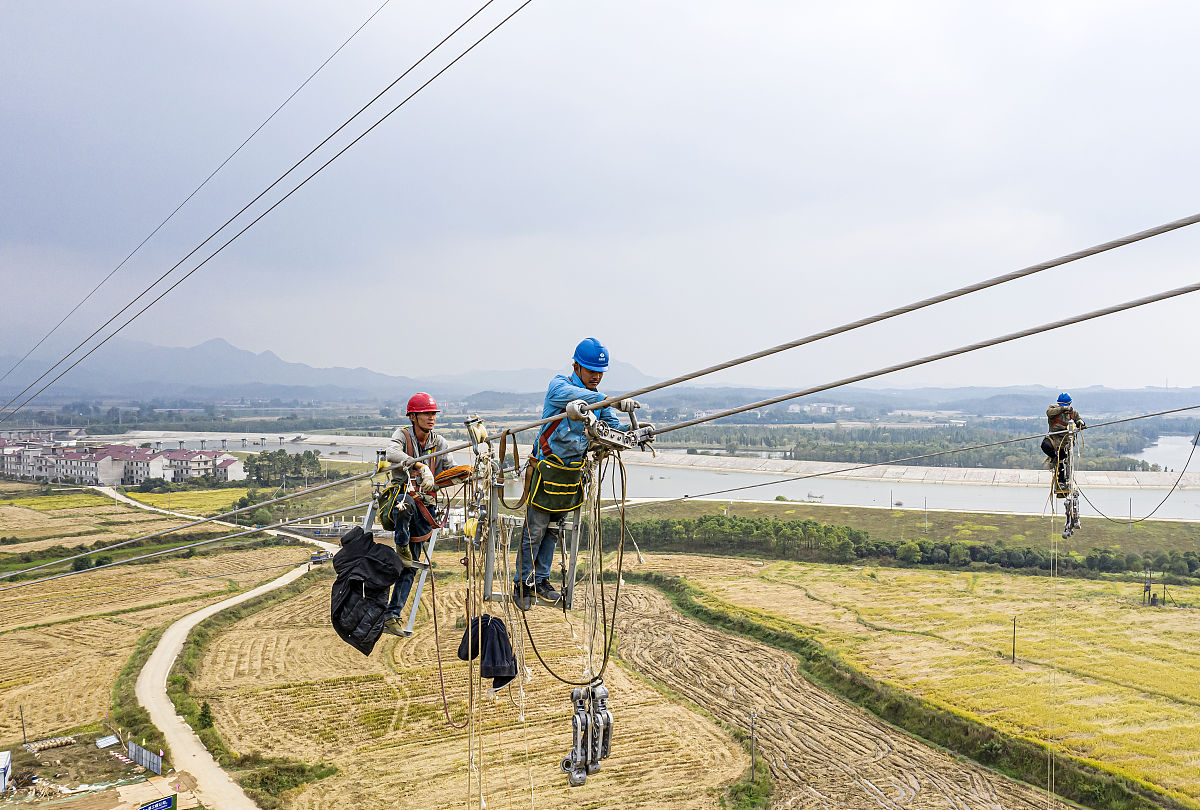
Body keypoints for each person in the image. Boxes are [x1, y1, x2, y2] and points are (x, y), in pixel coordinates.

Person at [514, 338, 637, 610]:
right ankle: (522, 582)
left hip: (569, 475)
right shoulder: (559, 386)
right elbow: (583, 399)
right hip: (545, 470)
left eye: (599, 372)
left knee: (553, 530)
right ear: (577, 367)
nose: (595, 376)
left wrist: (627, 435)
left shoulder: (600, 400)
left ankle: (542, 580)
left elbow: (611, 427)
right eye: (591, 370)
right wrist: (612, 401)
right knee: (535, 530)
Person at [381, 392, 458, 636]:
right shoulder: (403, 436)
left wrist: (461, 474)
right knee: (407, 504)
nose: (431, 418)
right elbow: (391, 453)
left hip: (427, 506)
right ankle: (401, 543)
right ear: (413, 416)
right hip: (401, 499)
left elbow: (449, 468)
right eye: (426, 414)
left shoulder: (439, 442)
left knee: (410, 568)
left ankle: (391, 615)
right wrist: (420, 465)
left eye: (433, 414)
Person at [1042, 392, 1086, 489]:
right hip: (1054, 438)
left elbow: (1079, 421)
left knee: (1061, 459)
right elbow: (1049, 413)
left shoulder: (1073, 413)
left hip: (1065, 441)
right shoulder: (1053, 410)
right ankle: (1054, 457)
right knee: (1045, 446)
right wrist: (1063, 409)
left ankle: (1061, 481)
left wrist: (1080, 423)